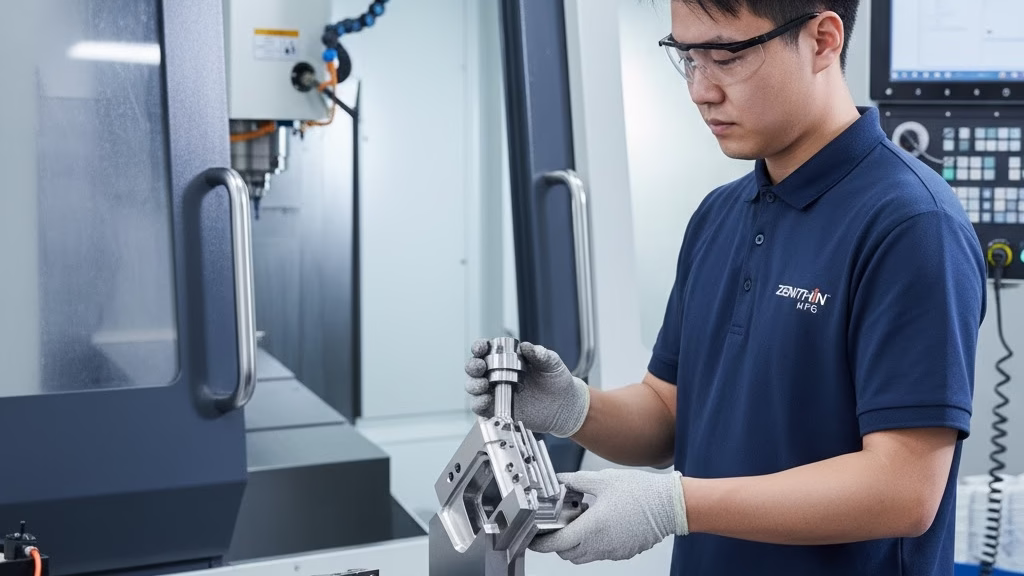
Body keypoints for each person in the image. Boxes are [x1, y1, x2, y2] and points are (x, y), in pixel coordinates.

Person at [464, 0, 989, 574]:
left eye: (724, 55)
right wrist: (574, 407)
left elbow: (903, 489)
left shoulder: (911, 225)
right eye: (686, 57)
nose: (699, 89)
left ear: (821, 41)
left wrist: (674, 504)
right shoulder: (719, 215)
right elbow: (669, 412)